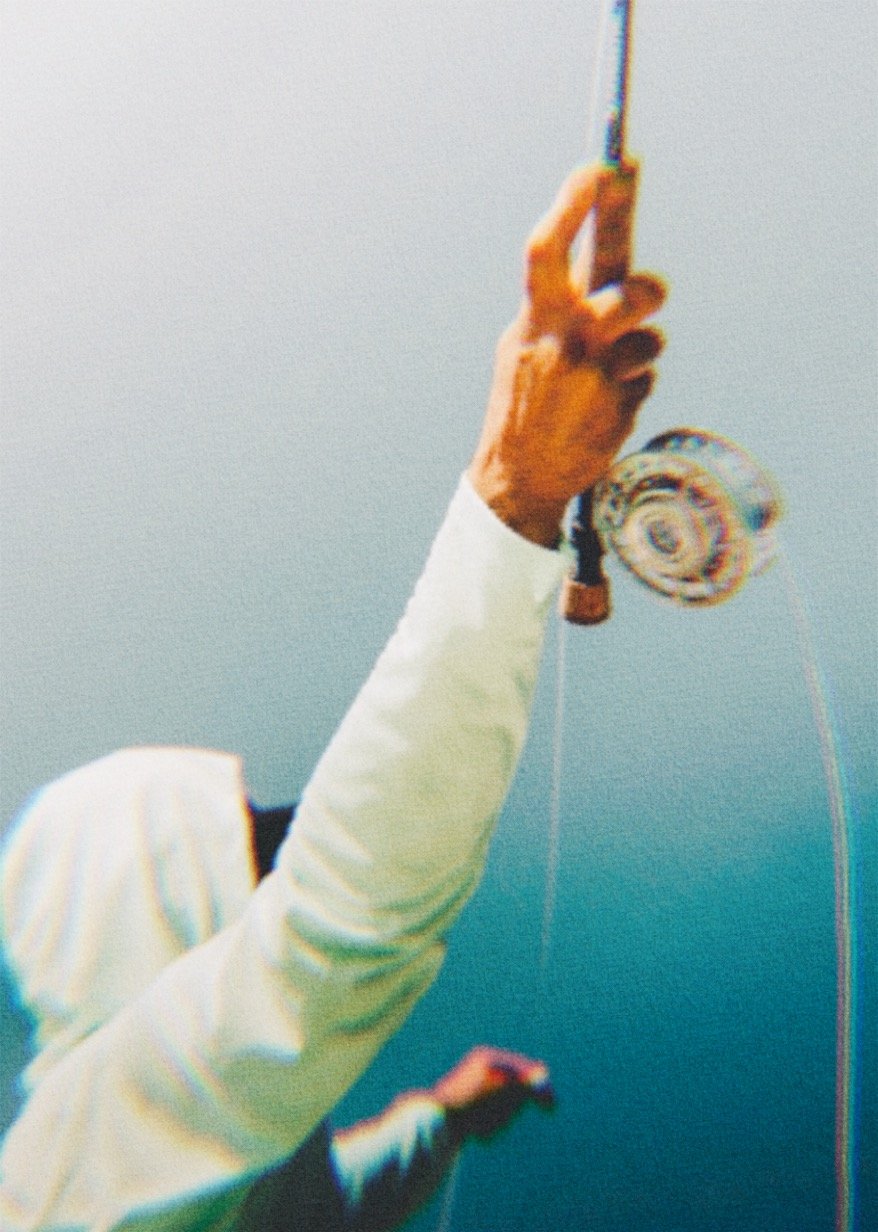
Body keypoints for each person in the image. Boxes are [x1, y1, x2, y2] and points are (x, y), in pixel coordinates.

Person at [0, 163, 665, 1231]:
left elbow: (320, 1206)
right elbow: (343, 921)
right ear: (148, 889)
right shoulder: (84, 1159)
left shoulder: (152, 1168)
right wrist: (514, 495)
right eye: (253, 846)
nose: (277, 860)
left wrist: (440, 1116)